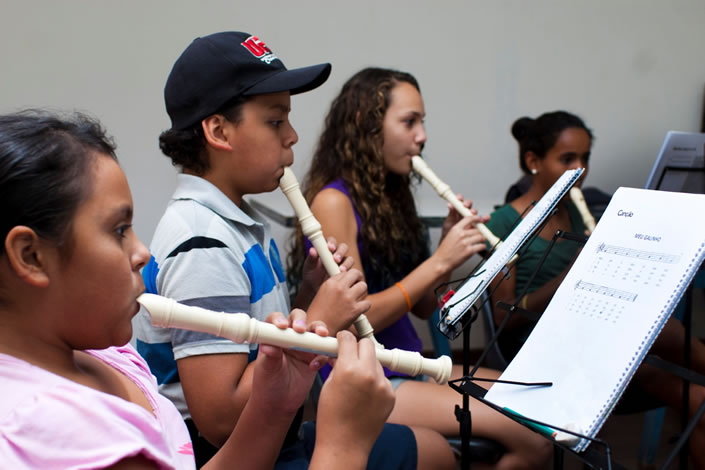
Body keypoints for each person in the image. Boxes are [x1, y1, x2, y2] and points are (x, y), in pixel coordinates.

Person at [0, 109, 396, 469]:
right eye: (119, 230)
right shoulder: (56, 428)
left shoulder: (107, 353)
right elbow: (218, 418)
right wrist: (342, 447)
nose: (141, 252)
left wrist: (275, 403)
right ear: (31, 256)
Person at [134, 32, 424, 469]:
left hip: (279, 435)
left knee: (432, 449)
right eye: (275, 121)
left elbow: (267, 344)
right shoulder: (201, 241)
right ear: (218, 130)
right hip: (237, 453)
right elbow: (221, 419)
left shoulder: (241, 221)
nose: (292, 136)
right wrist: (322, 319)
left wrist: (309, 296)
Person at [288, 67, 553, 470]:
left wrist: (449, 256)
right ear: (366, 124)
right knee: (531, 434)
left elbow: (425, 307)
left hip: (410, 365)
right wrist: (439, 260)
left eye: (422, 122)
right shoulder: (332, 202)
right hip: (367, 379)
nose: (422, 135)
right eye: (409, 121)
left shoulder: (389, 198)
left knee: (539, 411)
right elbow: (360, 318)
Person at [486, 110, 705, 468]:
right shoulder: (506, 222)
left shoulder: (578, 212)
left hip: (591, 334)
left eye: (585, 158)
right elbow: (503, 317)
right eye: (567, 159)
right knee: (665, 338)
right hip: (538, 345)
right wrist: (568, 277)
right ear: (533, 161)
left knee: (697, 395)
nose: (580, 169)